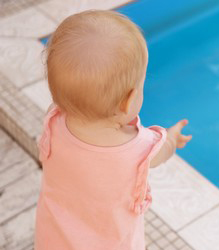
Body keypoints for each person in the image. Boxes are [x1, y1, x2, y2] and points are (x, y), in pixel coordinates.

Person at [34, 10, 192, 250]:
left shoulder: (54, 120)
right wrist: (171, 137)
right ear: (128, 102)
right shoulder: (140, 148)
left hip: (53, 240)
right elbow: (164, 150)